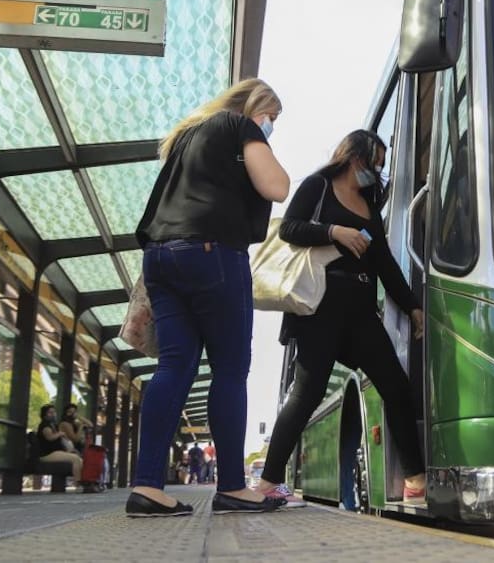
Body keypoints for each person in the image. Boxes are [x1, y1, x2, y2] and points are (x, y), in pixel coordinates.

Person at [128, 78, 290, 518]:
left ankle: (147, 487)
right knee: (231, 370)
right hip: (211, 253)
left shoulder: (188, 136)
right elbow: (276, 186)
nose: (271, 125)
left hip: (160, 257)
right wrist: (260, 139)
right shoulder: (239, 126)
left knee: (175, 367)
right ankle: (234, 487)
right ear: (256, 107)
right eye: (272, 117)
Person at [255, 130, 427, 507]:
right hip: (321, 304)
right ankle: (268, 482)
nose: (376, 170)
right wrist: (334, 232)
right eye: (373, 161)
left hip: (361, 310)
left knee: (396, 385)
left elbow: (383, 261)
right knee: (307, 392)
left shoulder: (370, 202)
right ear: (353, 156)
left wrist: (412, 305)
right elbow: (289, 228)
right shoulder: (319, 185)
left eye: (381, 164)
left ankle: (415, 480)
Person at [35, 404, 82, 482]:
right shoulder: (45, 426)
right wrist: (60, 434)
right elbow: (49, 437)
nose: (53, 414)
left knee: (79, 459)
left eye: (54, 412)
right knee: (76, 459)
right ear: (44, 415)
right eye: (50, 413)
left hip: (56, 452)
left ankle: (83, 482)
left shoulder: (54, 425)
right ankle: (78, 482)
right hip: (47, 454)